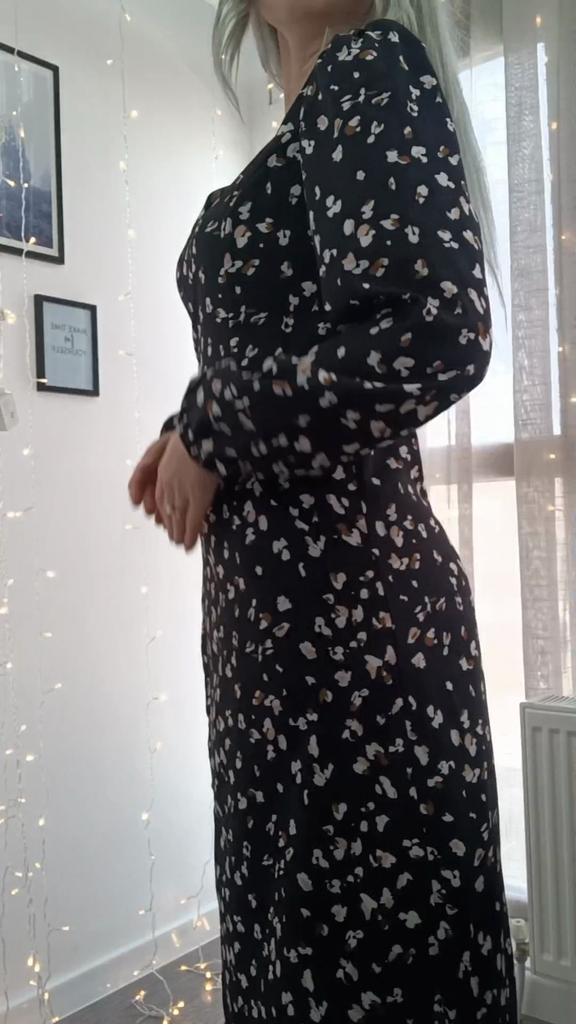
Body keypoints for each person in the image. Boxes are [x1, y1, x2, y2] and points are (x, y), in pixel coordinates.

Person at [129, 1, 517, 1019]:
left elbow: (436, 327)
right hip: (284, 652)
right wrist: (185, 435)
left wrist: (212, 426)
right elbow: (293, 350)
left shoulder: (370, 64)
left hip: (353, 644)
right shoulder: (315, 120)